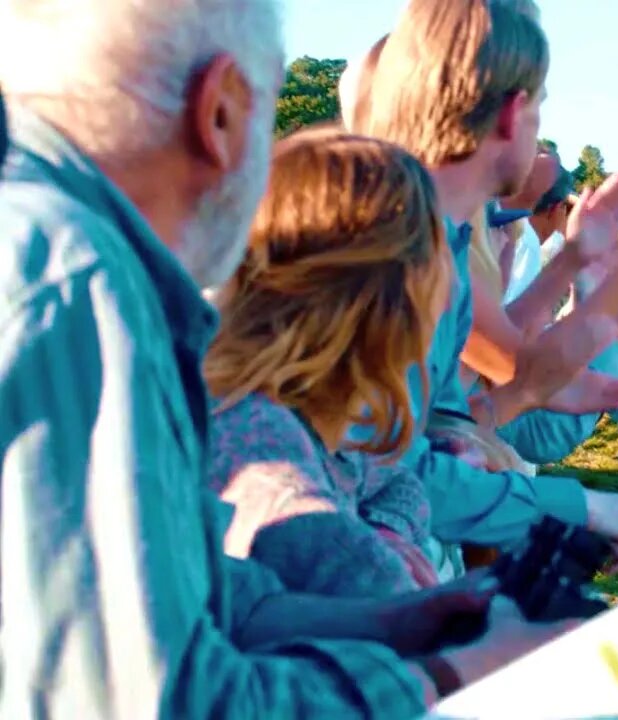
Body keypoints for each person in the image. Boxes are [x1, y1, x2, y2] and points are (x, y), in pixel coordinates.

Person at [0, 1, 574, 714]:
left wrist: (394, 623)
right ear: (220, 113)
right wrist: (446, 678)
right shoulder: (79, 284)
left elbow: (198, 591)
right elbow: (164, 700)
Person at [358, 0, 618, 577]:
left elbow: (445, 426)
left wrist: (522, 393)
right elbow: (393, 471)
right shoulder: (400, 252)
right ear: (511, 115)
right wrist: (573, 507)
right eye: (540, 112)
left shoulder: (431, 237)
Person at [204, 127, 458, 596]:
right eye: (438, 262)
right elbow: (377, 597)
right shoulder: (261, 446)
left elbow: (399, 485)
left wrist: (383, 530)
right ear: (389, 298)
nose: (449, 296)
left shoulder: (302, 421)